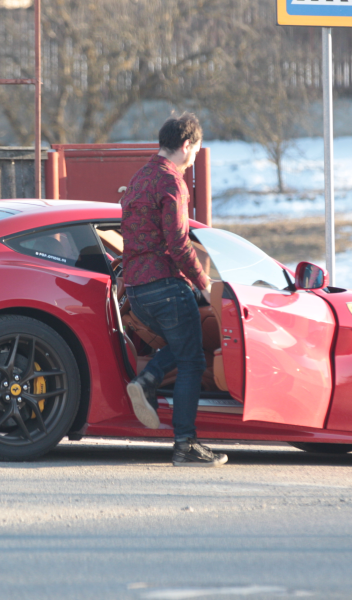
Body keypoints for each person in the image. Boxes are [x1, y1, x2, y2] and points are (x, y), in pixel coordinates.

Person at [120, 113, 228, 467]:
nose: (194, 158)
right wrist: (204, 283)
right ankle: (185, 444)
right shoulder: (172, 182)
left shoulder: (140, 178)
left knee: (182, 348)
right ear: (185, 145)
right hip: (166, 286)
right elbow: (179, 243)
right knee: (193, 360)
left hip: (137, 290)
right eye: (195, 151)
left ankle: (148, 380)